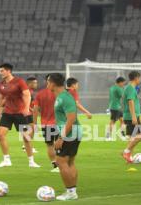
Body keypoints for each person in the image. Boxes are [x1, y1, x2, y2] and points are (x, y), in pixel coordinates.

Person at [0, 63, 40, 168]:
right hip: (7, 112)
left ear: (8, 71)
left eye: (2, 70)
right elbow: (1, 97)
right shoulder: (1, 84)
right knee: (0, 135)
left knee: (26, 138)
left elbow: (27, 95)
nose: (0, 73)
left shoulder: (19, 82)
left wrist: (26, 108)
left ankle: (31, 162)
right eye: (0, 71)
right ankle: (6, 160)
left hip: (20, 113)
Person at [48, 73, 81, 201]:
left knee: (61, 162)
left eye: (48, 82)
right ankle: (72, 191)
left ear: (53, 83)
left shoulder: (64, 98)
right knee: (70, 162)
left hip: (68, 132)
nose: (47, 85)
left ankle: (70, 192)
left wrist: (61, 137)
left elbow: (71, 119)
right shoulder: (62, 97)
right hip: (73, 131)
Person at [34, 74, 59, 172]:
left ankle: (54, 164)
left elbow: (35, 110)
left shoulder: (40, 94)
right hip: (58, 123)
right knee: (59, 144)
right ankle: (61, 163)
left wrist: (35, 124)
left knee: (49, 145)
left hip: (45, 124)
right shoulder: (60, 93)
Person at [122, 71, 141, 163]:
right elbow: (130, 102)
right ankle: (126, 152)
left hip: (131, 116)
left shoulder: (129, 87)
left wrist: (138, 116)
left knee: (132, 138)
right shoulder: (130, 88)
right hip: (131, 117)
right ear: (136, 78)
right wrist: (134, 117)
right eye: (140, 77)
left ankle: (129, 158)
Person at [22, 77, 38, 153]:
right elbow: (23, 101)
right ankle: (26, 146)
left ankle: (25, 146)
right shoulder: (27, 91)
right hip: (26, 113)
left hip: (29, 112)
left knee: (31, 129)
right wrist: (31, 110)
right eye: (35, 83)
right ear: (30, 83)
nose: (36, 84)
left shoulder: (30, 91)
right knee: (31, 128)